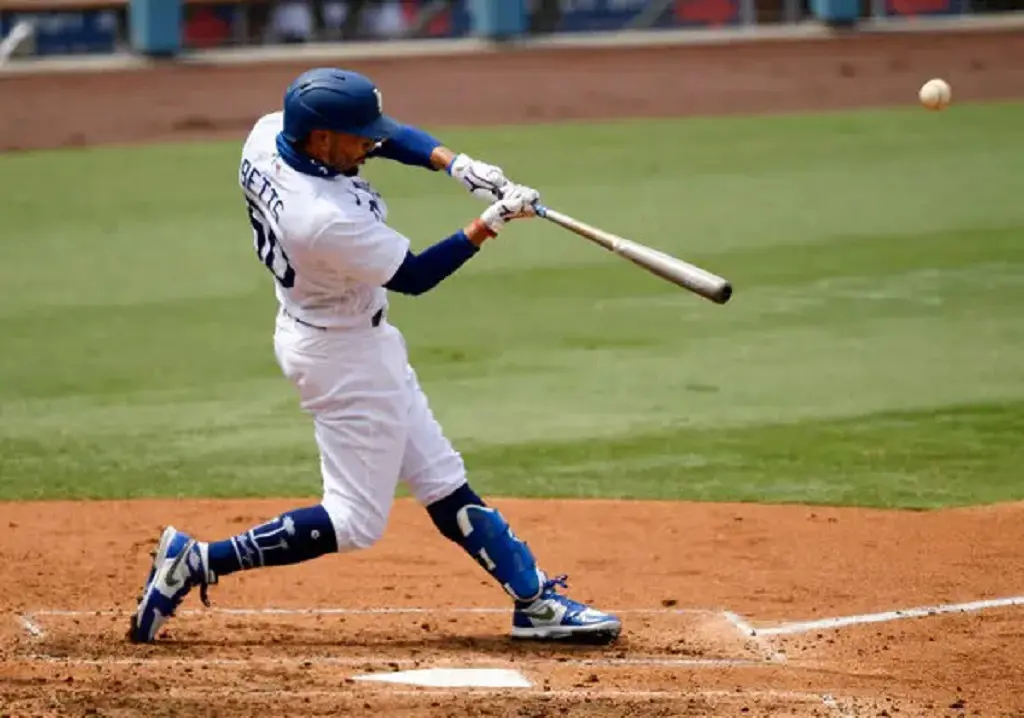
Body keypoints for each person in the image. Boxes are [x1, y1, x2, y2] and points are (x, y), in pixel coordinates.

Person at [128, 67, 622, 646]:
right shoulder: (321, 219)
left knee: (440, 477)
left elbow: (387, 139)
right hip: (343, 356)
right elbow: (414, 276)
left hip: (340, 336)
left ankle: (534, 602)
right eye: (358, 138)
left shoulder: (270, 134)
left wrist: (456, 164)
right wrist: (491, 221)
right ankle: (197, 560)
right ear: (321, 140)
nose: (370, 145)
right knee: (354, 521)